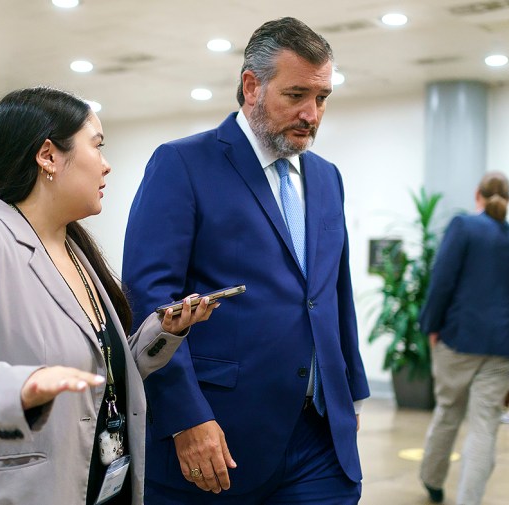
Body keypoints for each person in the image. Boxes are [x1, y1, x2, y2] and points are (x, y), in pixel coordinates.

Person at [0, 86, 215, 505]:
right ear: (48, 156)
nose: (107, 166)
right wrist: (19, 388)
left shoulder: (72, 247)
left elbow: (93, 370)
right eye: (97, 147)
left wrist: (160, 336)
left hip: (96, 481)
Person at [122, 16, 369, 504]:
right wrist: (186, 416)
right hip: (220, 435)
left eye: (321, 98)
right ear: (251, 86)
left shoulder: (326, 177)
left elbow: (332, 294)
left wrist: (350, 397)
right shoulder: (183, 164)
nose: (311, 114)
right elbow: (151, 299)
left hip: (319, 437)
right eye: (296, 95)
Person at [417, 172, 509, 505]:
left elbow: (442, 281)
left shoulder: (463, 226)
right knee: (485, 425)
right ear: (508, 199)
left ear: (477, 195)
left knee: (448, 411)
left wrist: (430, 325)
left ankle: (432, 480)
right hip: (504, 345)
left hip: (458, 338)